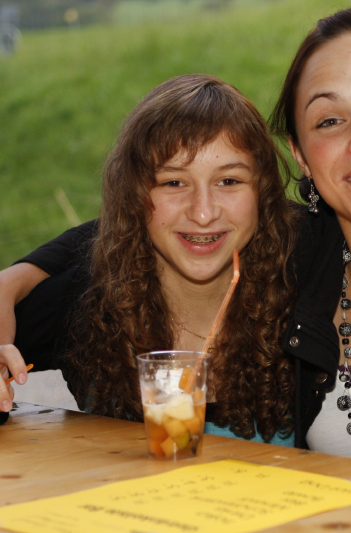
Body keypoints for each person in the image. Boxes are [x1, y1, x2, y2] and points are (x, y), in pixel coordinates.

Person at [1, 6, 351, 482]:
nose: (203, 211)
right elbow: (121, 236)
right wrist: (14, 280)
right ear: (300, 155)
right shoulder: (103, 298)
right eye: (331, 119)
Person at [0, 74, 296, 446]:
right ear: (134, 196)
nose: (203, 213)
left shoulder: (307, 284)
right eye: (173, 183)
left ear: (264, 192)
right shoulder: (90, 300)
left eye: (229, 181)